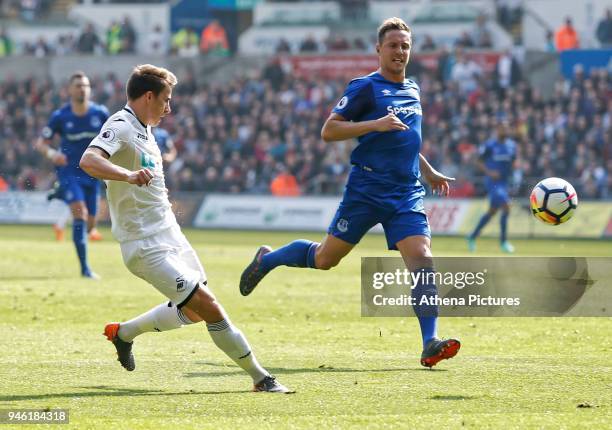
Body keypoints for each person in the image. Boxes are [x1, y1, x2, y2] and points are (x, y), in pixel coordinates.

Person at [239, 18, 460, 369]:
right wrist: (374, 123)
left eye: (405, 45)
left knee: (423, 259)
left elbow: (405, 139)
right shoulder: (364, 88)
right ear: (379, 49)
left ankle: (429, 341)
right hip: (367, 190)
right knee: (326, 259)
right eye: (393, 45)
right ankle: (268, 259)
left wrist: (428, 171)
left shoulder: (413, 88)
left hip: (405, 193)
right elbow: (329, 131)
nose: (400, 52)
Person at [79, 64, 291, 393]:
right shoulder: (119, 125)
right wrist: (127, 176)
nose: (169, 108)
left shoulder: (146, 131)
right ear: (148, 96)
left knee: (193, 313)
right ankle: (261, 377)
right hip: (144, 245)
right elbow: (88, 160)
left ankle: (123, 333)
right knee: (211, 307)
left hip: (170, 235)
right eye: (165, 100)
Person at [36, 72, 108, 276]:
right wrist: (52, 154)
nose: (82, 89)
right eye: (78, 86)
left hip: (92, 173)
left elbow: (115, 136)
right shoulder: (61, 116)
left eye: (85, 85)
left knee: (90, 224)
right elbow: (41, 143)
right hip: (69, 172)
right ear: (69, 90)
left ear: (90, 89)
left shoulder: (100, 113)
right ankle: (85, 269)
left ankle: (60, 193)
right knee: (80, 214)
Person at [467, 122, 516, 253]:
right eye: (502, 128)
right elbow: (478, 161)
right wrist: (490, 172)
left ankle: (472, 236)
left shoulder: (512, 146)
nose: (504, 131)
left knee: (492, 211)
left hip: (504, 183)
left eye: (506, 128)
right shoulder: (490, 145)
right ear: (497, 130)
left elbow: (512, 162)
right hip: (493, 182)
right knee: (506, 206)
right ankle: (504, 242)